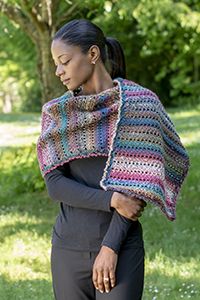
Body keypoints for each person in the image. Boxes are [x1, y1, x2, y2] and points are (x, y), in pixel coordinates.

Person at [36, 19, 189, 300]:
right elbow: (55, 185)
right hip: (67, 249)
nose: (58, 71)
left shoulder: (140, 106)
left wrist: (110, 248)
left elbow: (137, 189)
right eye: (56, 63)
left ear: (92, 55)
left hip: (121, 248)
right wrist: (111, 200)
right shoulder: (59, 113)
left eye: (65, 61)